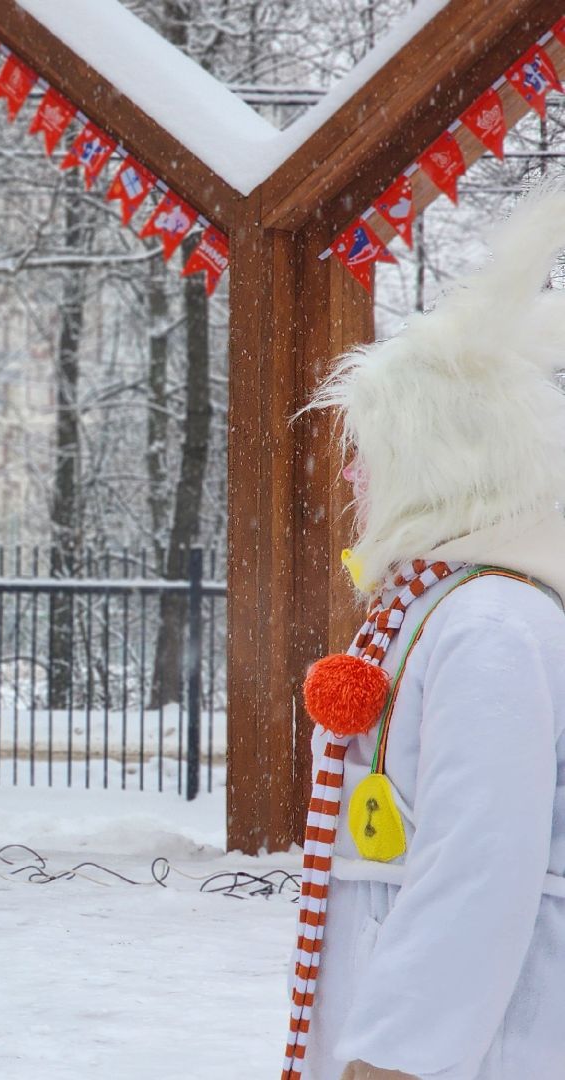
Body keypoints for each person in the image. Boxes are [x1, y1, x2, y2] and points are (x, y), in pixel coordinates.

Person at [283, 190, 565, 1080]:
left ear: (439, 460)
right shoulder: (451, 611)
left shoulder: (490, 626)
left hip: (477, 1051)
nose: (354, 476)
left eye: (372, 450)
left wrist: (397, 1055)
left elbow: (479, 857)